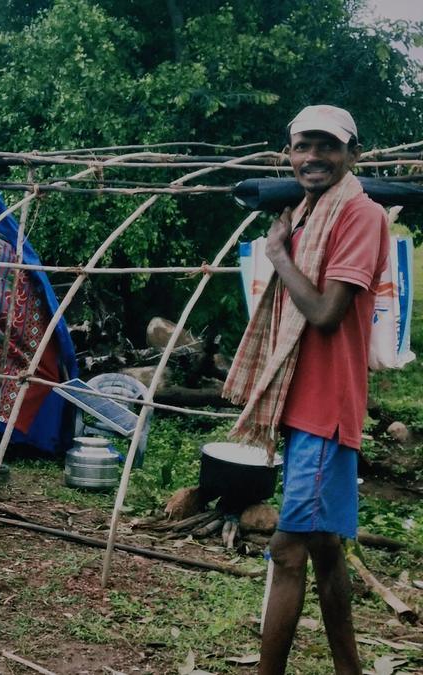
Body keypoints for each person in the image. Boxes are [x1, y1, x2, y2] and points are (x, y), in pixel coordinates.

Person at [223, 105, 390, 675]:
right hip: (304, 403)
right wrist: (287, 240)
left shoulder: (360, 216)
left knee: (288, 550)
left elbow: (323, 312)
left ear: (353, 154)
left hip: (325, 407)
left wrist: (276, 253)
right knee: (324, 549)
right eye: (301, 146)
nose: (312, 157)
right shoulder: (307, 212)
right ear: (287, 154)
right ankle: (350, 669)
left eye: (326, 146)